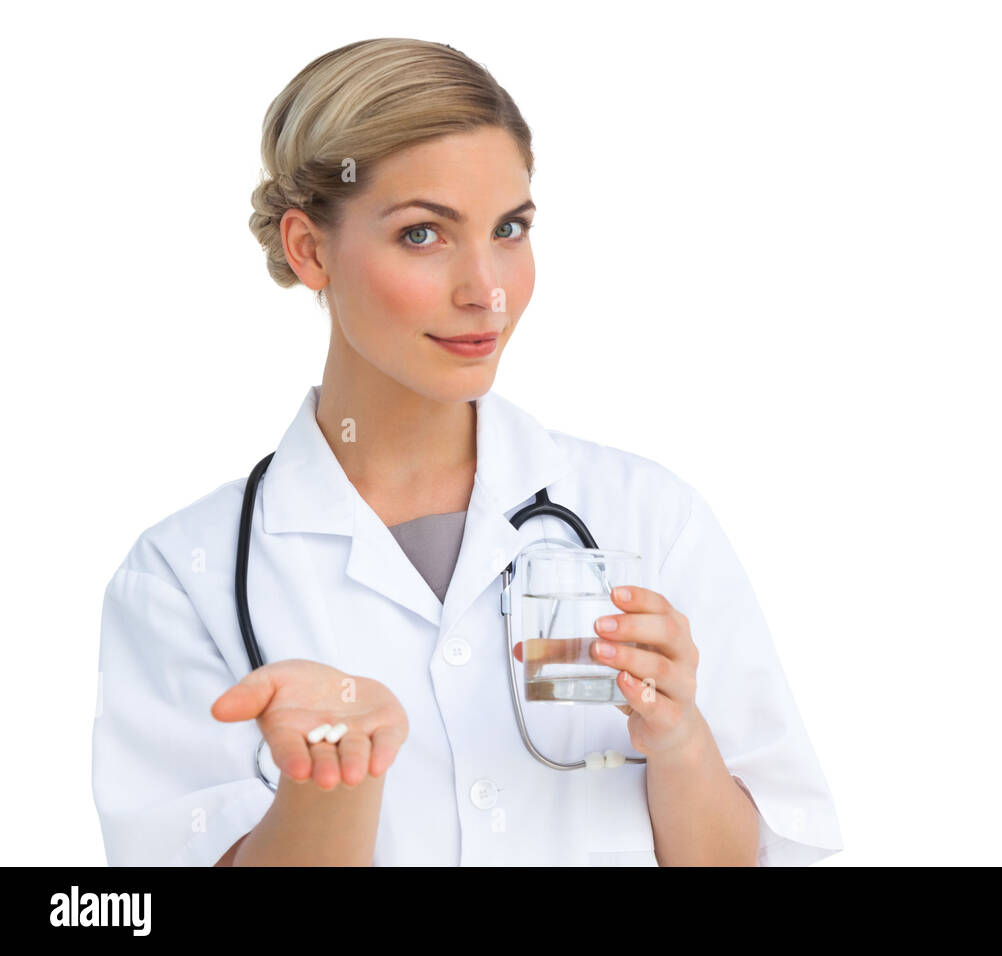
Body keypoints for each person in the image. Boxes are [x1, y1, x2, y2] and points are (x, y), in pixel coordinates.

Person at [91, 37, 842, 866]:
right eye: (423, 235)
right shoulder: (185, 578)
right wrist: (328, 786)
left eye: (509, 229)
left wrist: (679, 740)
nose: (485, 288)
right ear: (309, 249)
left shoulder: (649, 519)